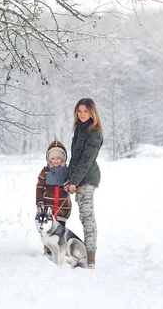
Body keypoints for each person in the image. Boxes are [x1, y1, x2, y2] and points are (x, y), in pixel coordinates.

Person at [66, 98, 103, 269]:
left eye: (85, 111)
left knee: (88, 218)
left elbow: (86, 160)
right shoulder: (79, 130)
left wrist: (74, 181)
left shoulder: (94, 133)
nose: (82, 114)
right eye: (79, 111)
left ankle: (91, 259)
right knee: (83, 216)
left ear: (92, 113)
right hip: (78, 178)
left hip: (87, 180)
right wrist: (68, 178)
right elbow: (75, 159)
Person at [35, 140, 71, 255]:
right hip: (48, 207)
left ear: (63, 159)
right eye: (52, 158)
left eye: (58, 158)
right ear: (48, 159)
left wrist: (69, 186)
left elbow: (74, 187)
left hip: (62, 207)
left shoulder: (67, 172)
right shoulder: (45, 172)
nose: (55, 161)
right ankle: (47, 248)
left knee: (60, 229)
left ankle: (60, 249)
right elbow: (40, 187)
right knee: (47, 228)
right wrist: (39, 202)